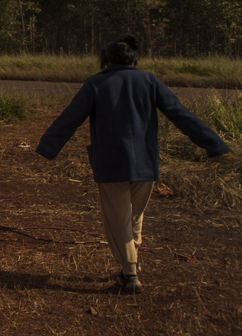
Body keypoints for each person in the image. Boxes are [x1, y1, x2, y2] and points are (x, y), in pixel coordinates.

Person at [36, 35, 230, 293]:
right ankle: (132, 265)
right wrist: (213, 145)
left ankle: (129, 275)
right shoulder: (149, 81)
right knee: (133, 218)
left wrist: (47, 148)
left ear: (106, 60)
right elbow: (181, 114)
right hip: (145, 164)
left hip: (112, 164)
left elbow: (70, 118)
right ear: (132, 59)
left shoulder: (97, 83)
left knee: (117, 220)